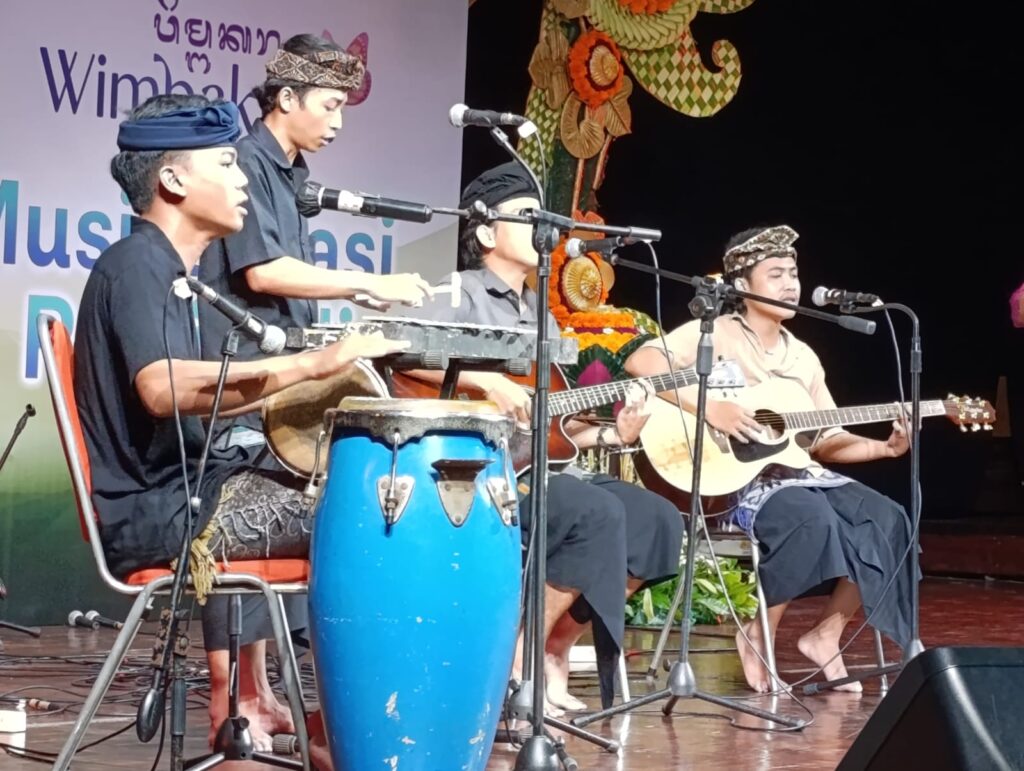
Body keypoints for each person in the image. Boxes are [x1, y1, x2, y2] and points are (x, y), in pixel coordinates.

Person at [74, 92, 406, 769]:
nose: (242, 180)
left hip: (192, 497)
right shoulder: (137, 263)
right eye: (225, 164)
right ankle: (348, 726)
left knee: (355, 487)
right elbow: (162, 388)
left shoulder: (174, 272)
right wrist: (310, 365)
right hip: (170, 514)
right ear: (173, 179)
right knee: (373, 508)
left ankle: (322, 715)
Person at [195, 33, 433, 748]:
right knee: (284, 506)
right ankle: (229, 696)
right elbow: (262, 272)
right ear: (286, 98)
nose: (337, 121)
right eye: (328, 105)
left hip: (274, 383)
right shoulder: (246, 164)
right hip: (239, 390)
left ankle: (260, 689)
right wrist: (366, 281)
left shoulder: (290, 177)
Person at [409, 162, 683, 712]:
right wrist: (484, 380)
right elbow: (399, 351)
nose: (542, 226)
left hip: (540, 465)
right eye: (525, 215)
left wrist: (612, 433)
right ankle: (515, 661)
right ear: (487, 233)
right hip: (476, 469)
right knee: (594, 512)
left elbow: (556, 422)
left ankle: (554, 646)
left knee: (657, 520)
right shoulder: (458, 292)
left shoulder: (541, 313)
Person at [625, 224, 915, 693]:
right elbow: (642, 362)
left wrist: (884, 448)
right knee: (811, 519)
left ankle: (825, 635)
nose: (790, 284)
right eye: (775, 274)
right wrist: (710, 408)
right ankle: (759, 634)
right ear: (742, 285)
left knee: (889, 519)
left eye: (793, 274)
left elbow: (825, 440)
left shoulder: (803, 357)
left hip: (801, 474)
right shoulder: (715, 332)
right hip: (736, 482)